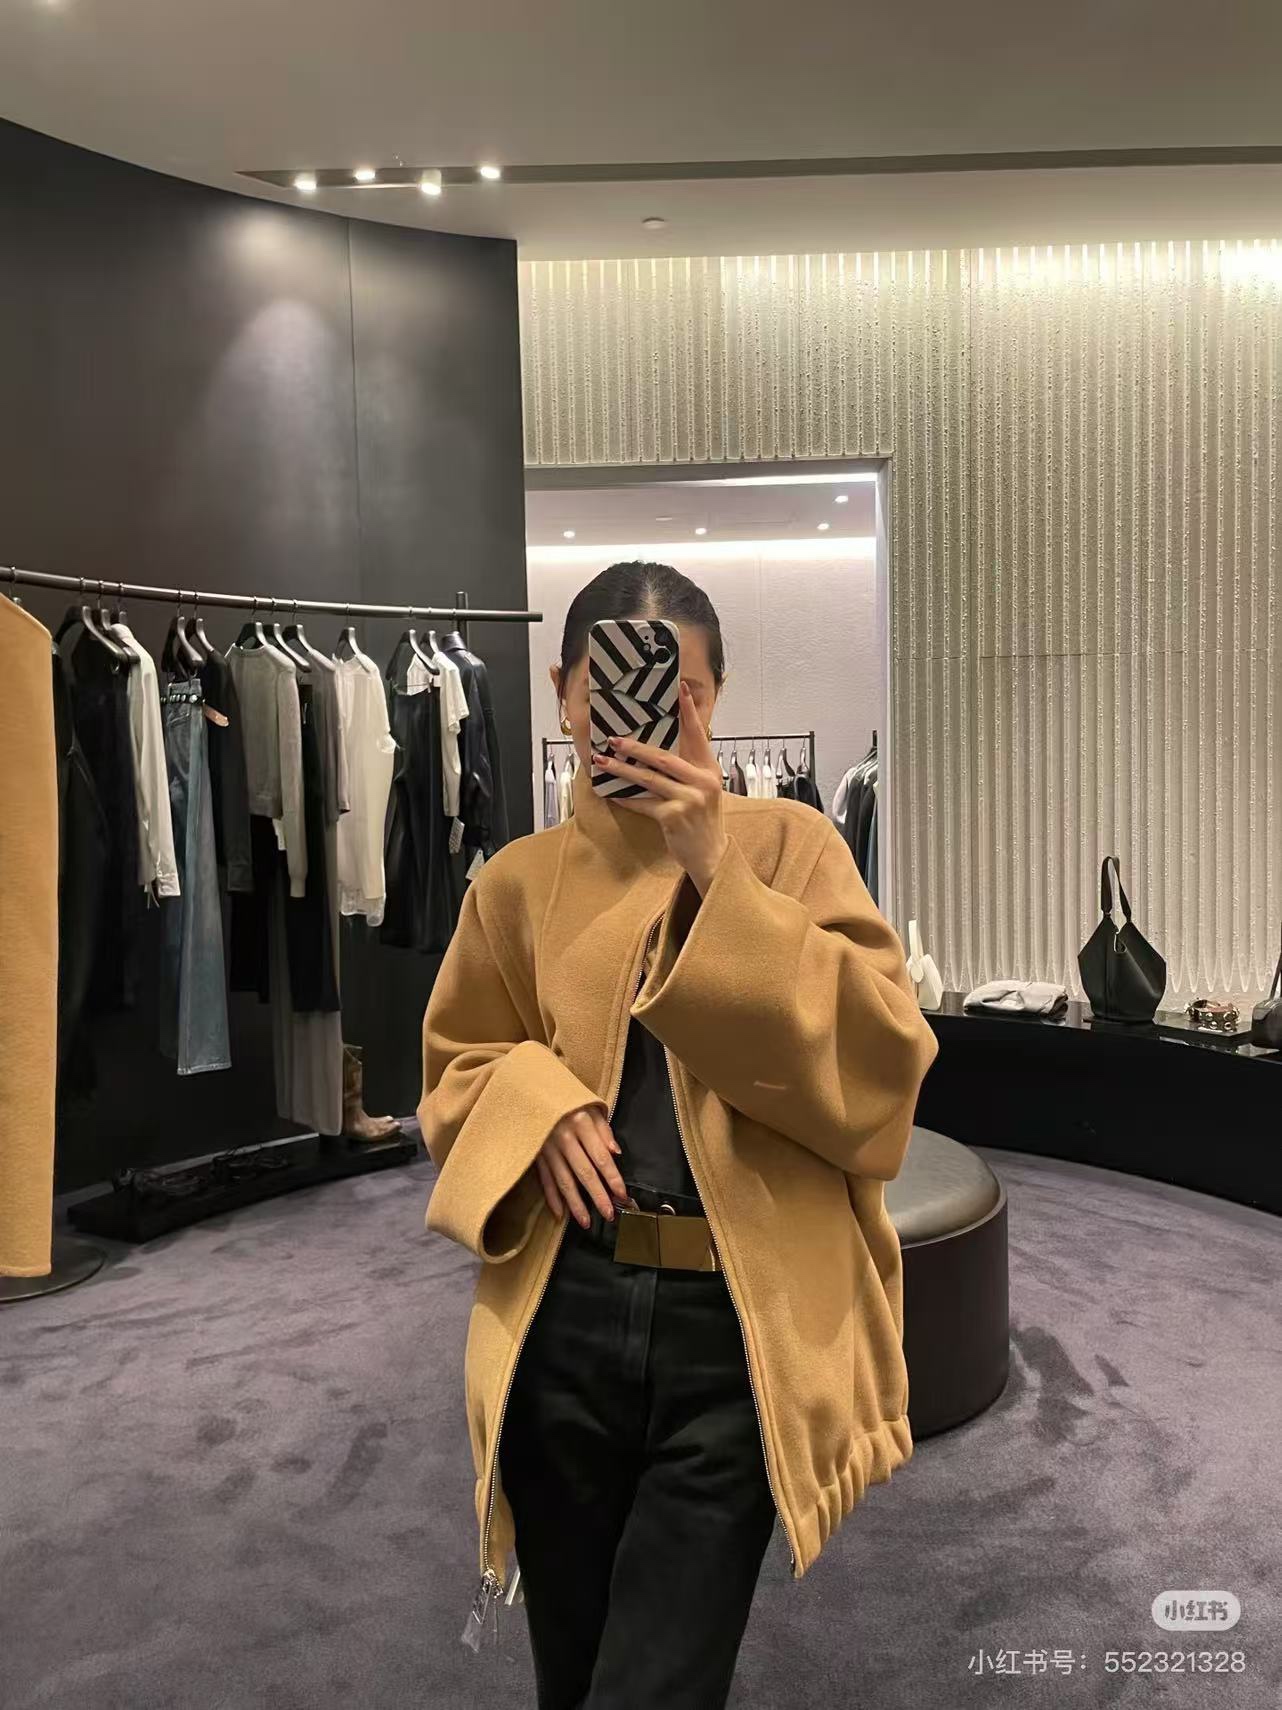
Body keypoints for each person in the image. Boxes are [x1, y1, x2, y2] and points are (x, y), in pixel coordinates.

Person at [418, 560, 938, 1709]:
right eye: (606, 688)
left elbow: (880, 1069)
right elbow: (454, 1074)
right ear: (562, 692)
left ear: (713, 700)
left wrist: (716, 867)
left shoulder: (794, 847)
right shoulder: (514, 884)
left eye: (680, 693)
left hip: (732, 1324)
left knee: (656, 1683)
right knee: (571, 1667)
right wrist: (536, 1102)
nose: (647, 717)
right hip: (565, 1309)